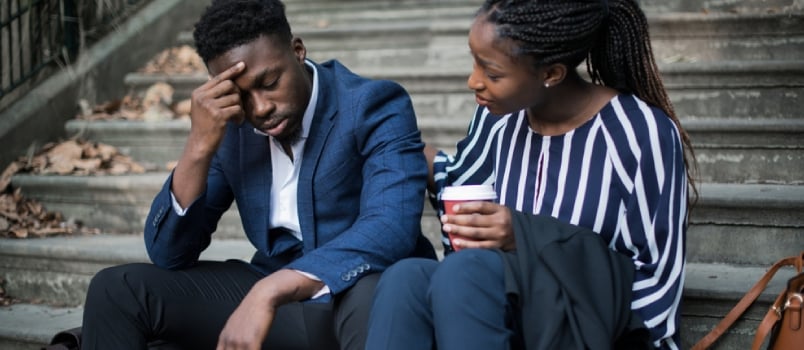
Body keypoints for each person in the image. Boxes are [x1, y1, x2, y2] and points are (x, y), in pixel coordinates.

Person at [79, 0, 436, 349]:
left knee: (377, 296)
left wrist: (270, 290)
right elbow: (169, 253)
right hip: (276, 294)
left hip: (354, 289)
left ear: (297, 50)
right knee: (116, 289)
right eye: (241, 94)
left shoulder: (373, 105)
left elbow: (389, 227)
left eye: (269, 82)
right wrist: (199, 146)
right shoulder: (232, 129)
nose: (261, 108)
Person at [365, 0, 697, 349]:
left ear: (551, 74)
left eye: (492, 73)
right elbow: (462, 190)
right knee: (406, 277)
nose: (473, 81)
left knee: (465, 274)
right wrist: (402, 151)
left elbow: (655, 278)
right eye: (474, 62)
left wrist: (522, 235)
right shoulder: (498, 119)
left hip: (587, 324)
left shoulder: (640, 133)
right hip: (499, 306)